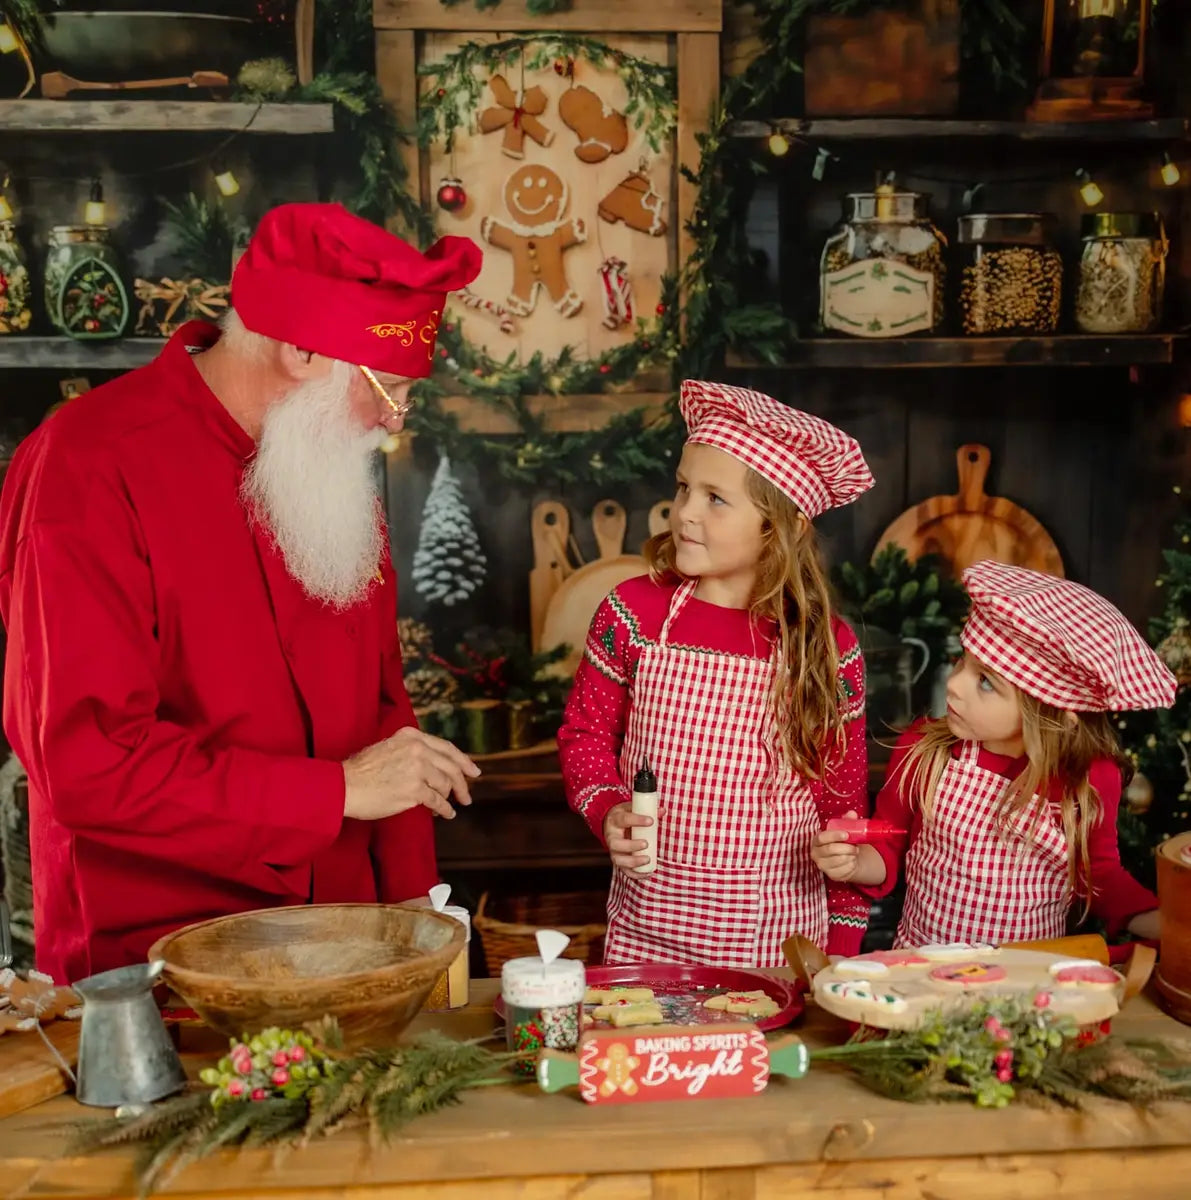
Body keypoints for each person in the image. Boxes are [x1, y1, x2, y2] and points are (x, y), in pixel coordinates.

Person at [0, 203, 484, 984]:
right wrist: (332, 793)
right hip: (168, 964)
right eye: (386, 389)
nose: (392, 423)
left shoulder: (322, 465)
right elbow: (89, 762)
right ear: (298, 349)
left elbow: (385, 719)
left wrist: (418, 927)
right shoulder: (86, 466)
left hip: (354, 950)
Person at [558, 379, 875, 968]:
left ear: (781, 528)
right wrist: (608, 811)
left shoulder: (827, 650)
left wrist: (843, 956)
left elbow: (842, 812)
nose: (684, 514)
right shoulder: (632, 613)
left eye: (715, 498)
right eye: (683, 488)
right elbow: (586, 736)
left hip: (778, 947)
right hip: (646, 939)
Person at [811, 559, 1174, 949]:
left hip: (1024, 983)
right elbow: (889, 846)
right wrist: (854, 863)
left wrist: (1169, 928)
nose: (954, 685)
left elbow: (1099, 876)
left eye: (985, 682)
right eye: (961, 662)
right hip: (922, 975)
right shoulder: (925, 749)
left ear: (1050, 716)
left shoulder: (1085, 778)